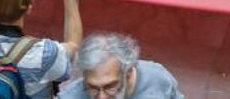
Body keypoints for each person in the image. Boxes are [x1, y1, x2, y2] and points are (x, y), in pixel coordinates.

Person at [57, 33, 186, 98]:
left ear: (128, 72)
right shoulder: (70, 96)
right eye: (93, 87)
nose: (101, 97)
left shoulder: (158, 78)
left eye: (110, 86)